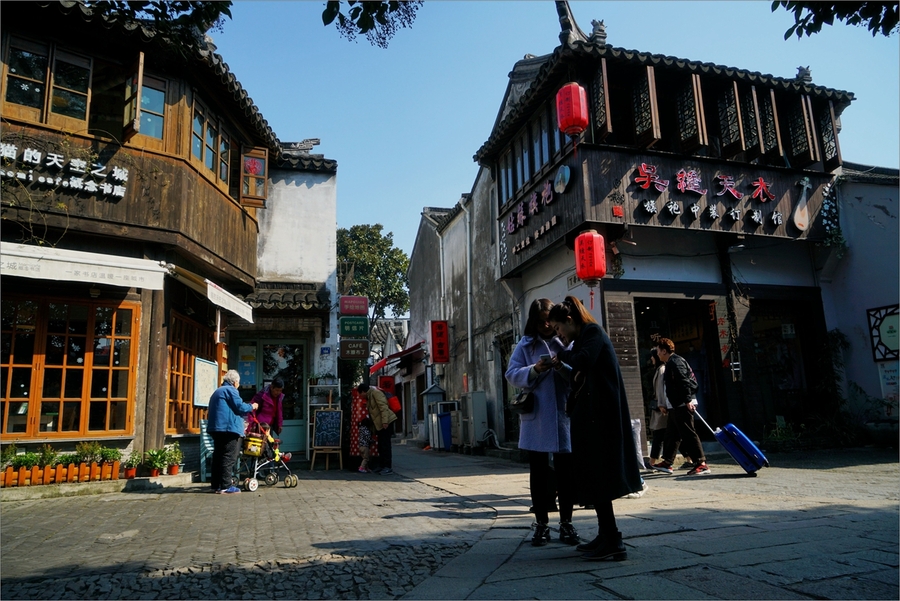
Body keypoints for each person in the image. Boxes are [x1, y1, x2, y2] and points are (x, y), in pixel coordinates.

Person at [547, 296, 642, 561]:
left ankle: (612, 539)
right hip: (594, 415)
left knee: (600, 476)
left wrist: (561, 352)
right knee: (596, 476)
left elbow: (583, 361)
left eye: (558, 329)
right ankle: (608, 535)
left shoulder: (592, 332)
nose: (559, 335)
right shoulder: (586, 336)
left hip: (601, 416)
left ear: (569, 320)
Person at [505, 298, 580, 547]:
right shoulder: (525, 345)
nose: (547, 326)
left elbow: (579, 371)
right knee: (537, 473)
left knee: (567, 472)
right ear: (533, 322)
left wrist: (560, 366)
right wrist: (534, 370)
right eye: (541, 322)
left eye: (549, 320)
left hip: (562, 413)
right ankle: (541, 524)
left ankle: (566, 523)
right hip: (536, 415)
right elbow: (511, 374)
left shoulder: (566, 340)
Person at [651, 338, 710, 476]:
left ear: (664, 351)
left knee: (688, 432)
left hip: (682, 404)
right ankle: (667, 462)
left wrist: (688, 400)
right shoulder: (671, 362)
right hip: (675, 404)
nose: (657, 354)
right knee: (672, 434)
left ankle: (701, 463)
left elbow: (684, 381)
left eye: (659, 351)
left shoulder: (675, 362)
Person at [207, 369, 258, 494]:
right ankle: (226, 485)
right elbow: (240, 406)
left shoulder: (218, 391)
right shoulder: (230, 390)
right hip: (228, 429)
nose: (238, 386)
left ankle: (216, 485)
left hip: (216, 428)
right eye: (238, 383)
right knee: (228, 456)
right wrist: (252, 406)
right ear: (235, 382)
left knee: (218, 456)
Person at [357, 381, 397, 475]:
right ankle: (382, 465)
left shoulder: (375, 393)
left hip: (386, 422)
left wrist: (385, 421)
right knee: (380, 445)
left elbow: (383, 407)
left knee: (385, 445)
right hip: (380, 424)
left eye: (360, 393)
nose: (360, 396)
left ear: (363, 391)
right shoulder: (369, 397)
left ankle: (387, 467)